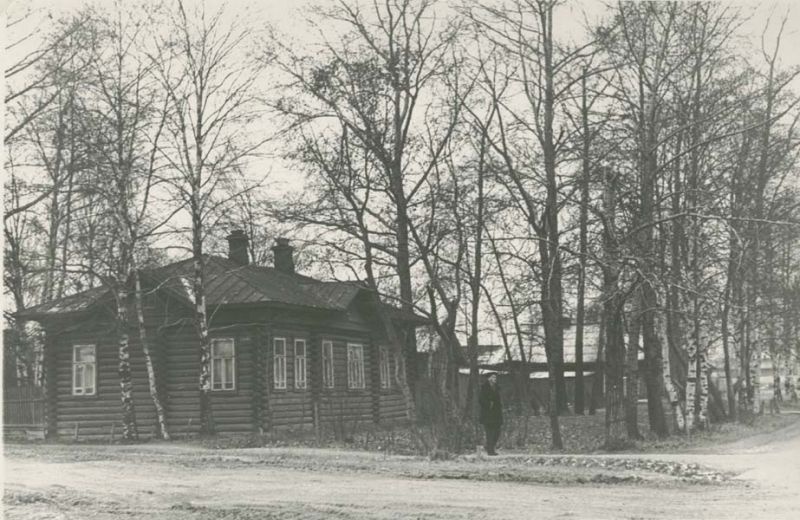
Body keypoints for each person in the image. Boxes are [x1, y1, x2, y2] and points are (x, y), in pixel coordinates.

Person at [479, 372, 503, 456]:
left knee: (497, 431)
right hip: (488, 414)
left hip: (496, 413)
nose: (495, 379)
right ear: (488, 378)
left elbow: (499, 399)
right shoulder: (484, 387)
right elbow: (481, 400)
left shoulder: (497, 387)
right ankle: (490, 451)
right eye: (493, 377)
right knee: (490, 432)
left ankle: (489, 446)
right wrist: (489, 404)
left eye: (495, 377)